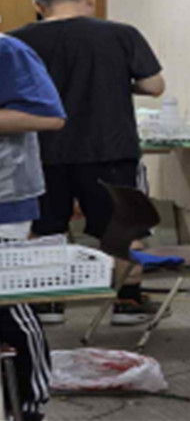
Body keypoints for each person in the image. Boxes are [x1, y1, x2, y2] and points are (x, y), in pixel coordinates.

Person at [10, 0, 166, 326]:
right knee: (122, 227)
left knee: (44, 229)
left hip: (42, 151)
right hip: (109, 148)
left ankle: (46, 303)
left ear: (38, 6)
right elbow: (154, 85)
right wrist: (116, 83)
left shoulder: (17, 41)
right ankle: (127, 301)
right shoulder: (121, 34)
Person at [0, 32, 66, 420]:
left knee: (7, 305)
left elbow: (48, 115)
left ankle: (28, 403)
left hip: (4, 198)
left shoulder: (7, 50)